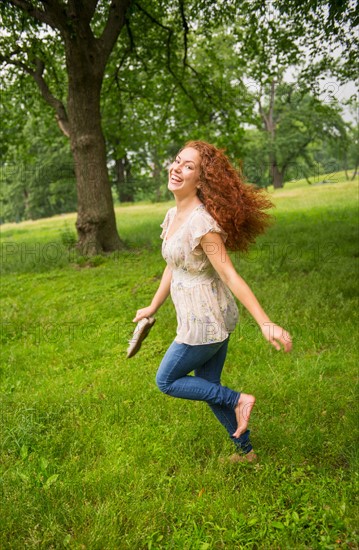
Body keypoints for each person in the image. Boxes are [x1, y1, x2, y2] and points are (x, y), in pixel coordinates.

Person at [132, 140, 292, 463]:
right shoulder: (173, 215)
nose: (177, 168)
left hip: (205, 322)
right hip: (204, 318)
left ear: (200, 181)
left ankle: (238, 399)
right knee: (206, 386)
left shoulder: (203, 224)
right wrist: (152, 307)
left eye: (188, 166)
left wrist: (265, 323)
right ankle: (247, 453)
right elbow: (172, 266)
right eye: (177, 161)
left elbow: (231, 276)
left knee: (166, 380)